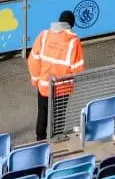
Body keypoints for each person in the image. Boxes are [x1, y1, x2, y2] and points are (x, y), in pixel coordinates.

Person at [27, 10, 86, 142]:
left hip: (44, 85)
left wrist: (36, 80)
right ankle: (56, 138)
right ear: (71, 25)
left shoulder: (44, 35)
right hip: (63, 87)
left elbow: (33, 60)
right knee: (59, 114)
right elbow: (78, 68)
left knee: (42, 112)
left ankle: (40, 140)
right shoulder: (74, 41)